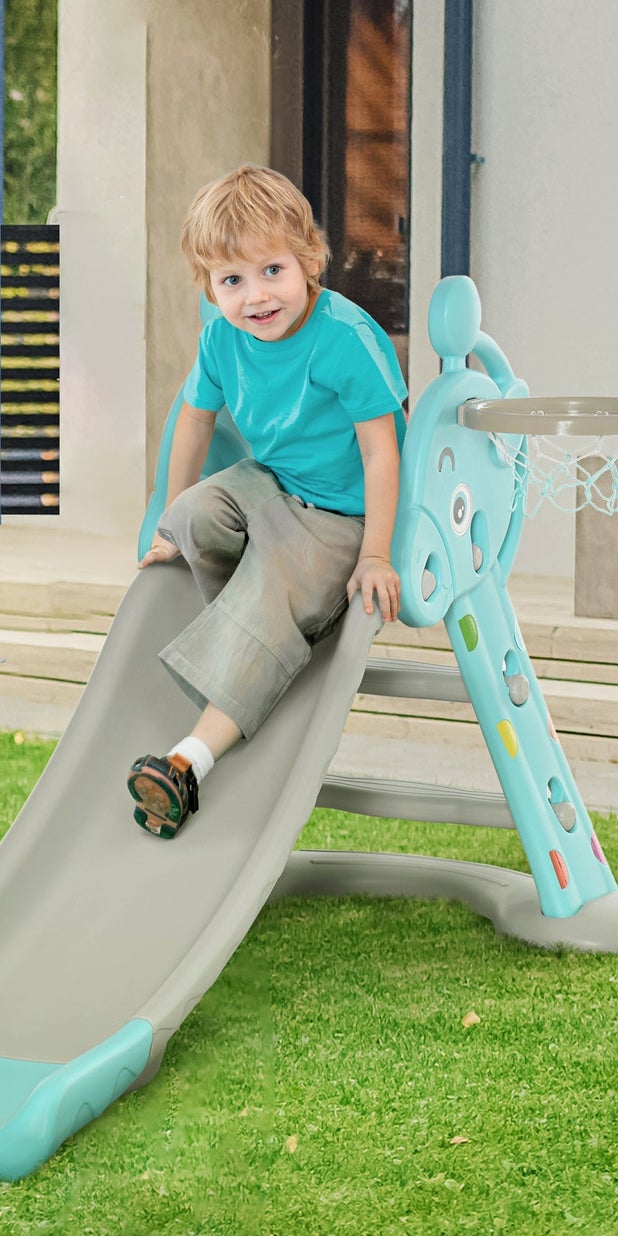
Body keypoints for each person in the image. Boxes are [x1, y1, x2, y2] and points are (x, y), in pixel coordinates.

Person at [128, 165, 405, 838]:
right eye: (232, 280)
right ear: (209, 288)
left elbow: (381, 451)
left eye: (271, 270)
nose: (255, 295)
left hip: (340, 514)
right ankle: (267, 611)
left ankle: (187, 761)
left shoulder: (342, 340)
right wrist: (169, 521)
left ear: (310, 261)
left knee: (268, 592)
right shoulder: (222, 338)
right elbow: (194, 420)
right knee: (195, 516)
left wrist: (375, 553)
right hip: (271, 484)